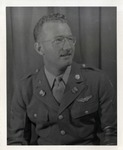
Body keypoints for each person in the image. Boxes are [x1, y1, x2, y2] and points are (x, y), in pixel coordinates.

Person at [7, 13, 117, 145]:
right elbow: (16, 141)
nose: (68, 47)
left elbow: (112, 134)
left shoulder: (97, 80)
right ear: (39, 48)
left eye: (70, 39)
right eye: (58, 40)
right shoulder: (25, 88)